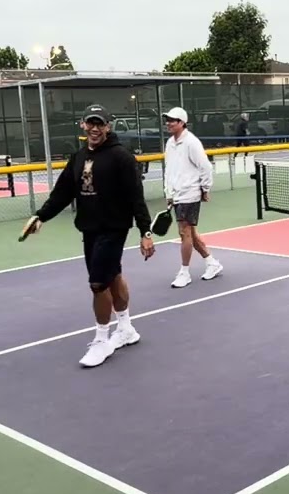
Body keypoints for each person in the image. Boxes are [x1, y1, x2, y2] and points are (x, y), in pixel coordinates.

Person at [21, 104, 156, 369]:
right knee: (112, 275)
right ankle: (126, 328)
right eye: (90, 123)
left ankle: (102, 340)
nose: (95, 128)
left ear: (108, 126)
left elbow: (135, 198)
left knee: (97, 284)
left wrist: (145, 232)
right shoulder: (78, 157)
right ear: (83, 125)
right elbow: (62, 193)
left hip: (114, 228)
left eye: (100, 123)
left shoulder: (122, 157)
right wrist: (41, 216)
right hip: (89, 229)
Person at [162, 106, 222, 289]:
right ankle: (212, 263)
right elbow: (170, 170)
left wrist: (205, 188)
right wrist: (168, 192)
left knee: (184, 232)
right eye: (167, 120)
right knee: (191, 233)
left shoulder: (192, 142)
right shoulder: (170, 143)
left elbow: (206, 167)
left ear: (181, 123)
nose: (168, 123)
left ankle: (184, 272)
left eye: (172, 120)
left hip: (190, 194)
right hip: (177, 194)